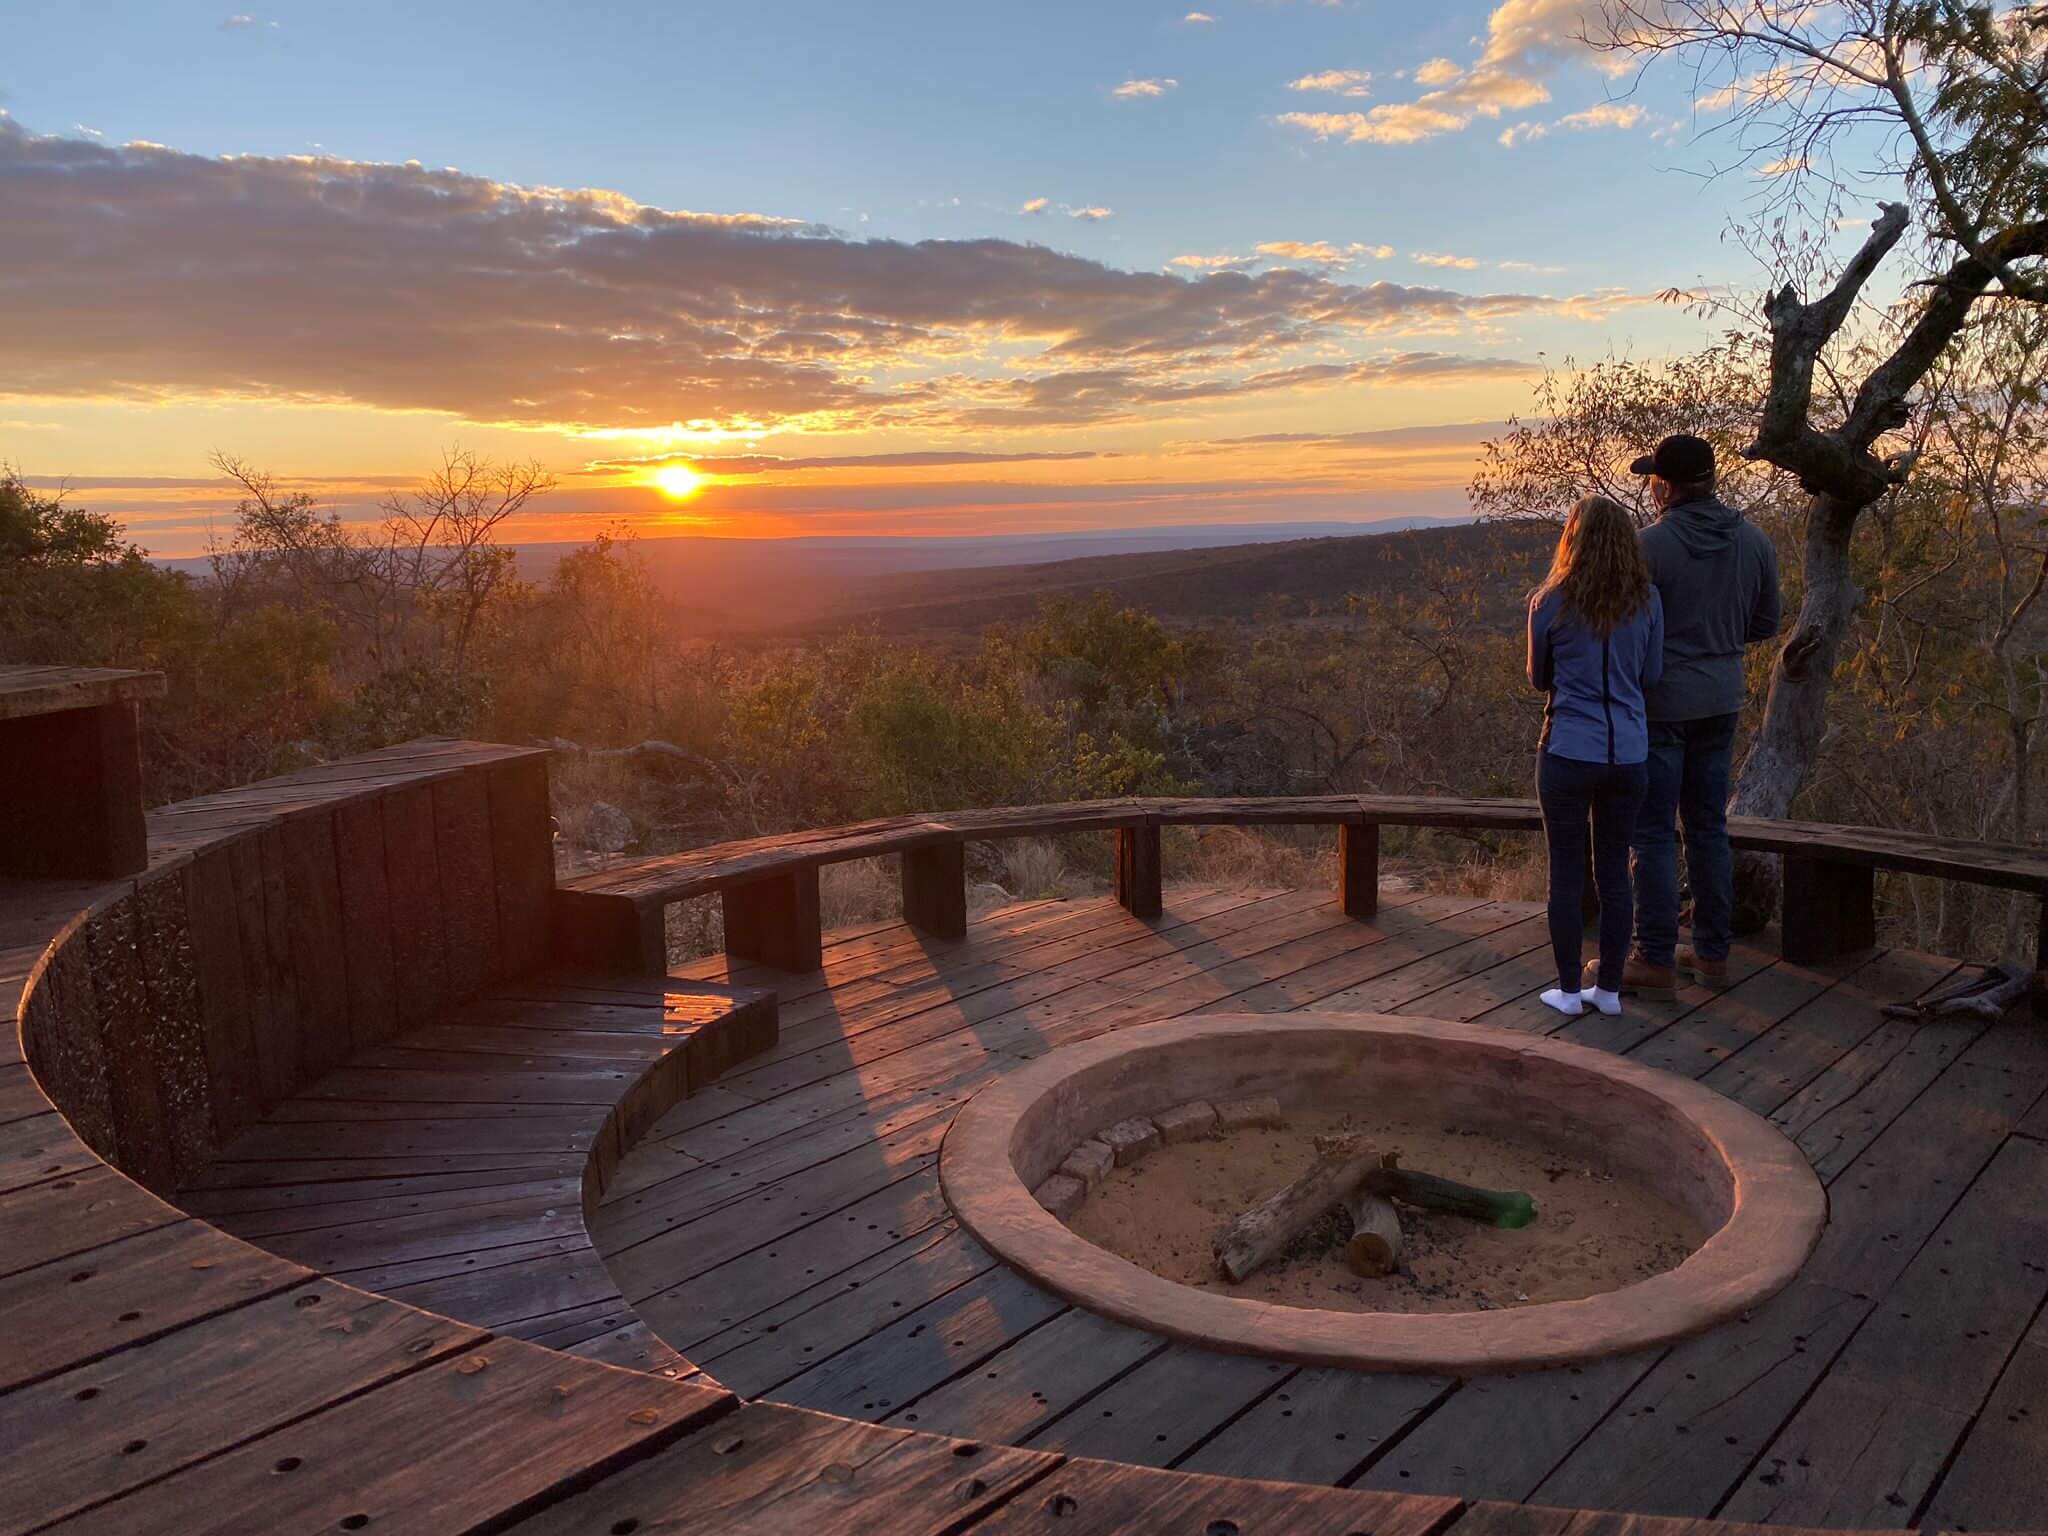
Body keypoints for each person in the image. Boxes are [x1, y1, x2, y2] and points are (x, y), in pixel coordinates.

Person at [1600, 434, 1781, 997]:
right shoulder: (1755, 542)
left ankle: (1652, 957)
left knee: (1652, 833)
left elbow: (1619, 631)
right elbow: (1766, 622)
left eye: (1655, 477)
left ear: (1666, 485)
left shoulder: (1647, 547)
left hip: (1659, 707)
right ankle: (1712, 956)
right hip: (1722, 698)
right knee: (1708, 827)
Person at [1527, 494, 1665, 1017]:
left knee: (1565, 870)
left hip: (1567, 750)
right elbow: (1651, 677)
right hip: (1629, 754)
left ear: (1572, 539)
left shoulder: (1551, 602)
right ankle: (1607, 989)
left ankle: (1566, 989)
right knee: (1614, 870)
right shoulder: (1648, 601)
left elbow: (1539, 677)